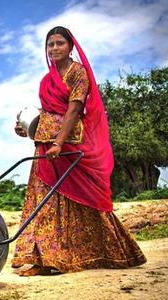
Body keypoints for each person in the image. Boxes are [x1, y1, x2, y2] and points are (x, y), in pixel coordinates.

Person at [12, 26, 146, 276]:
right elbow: (47, 113)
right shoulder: (46, 80)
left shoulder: (78, 74)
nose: (54, 48)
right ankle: (45, 260)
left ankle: (99, 253)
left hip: (69, 145)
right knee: (44, 200)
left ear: (71, 46)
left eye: (59, 43)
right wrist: (27, 127)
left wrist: (59, 143)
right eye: (50, 44)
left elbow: (73, 111)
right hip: (46, 148)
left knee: (82, 199)